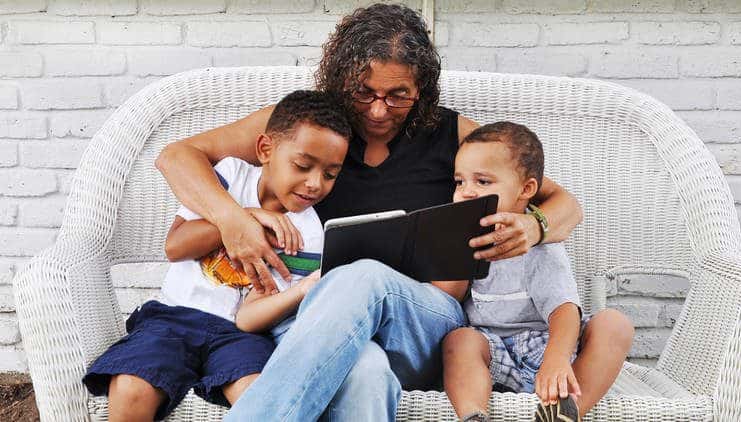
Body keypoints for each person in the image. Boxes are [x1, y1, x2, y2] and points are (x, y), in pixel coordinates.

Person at [155, 4, 633, 421]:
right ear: (341, 78)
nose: (380, 110)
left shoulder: (455, 135)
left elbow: (564, 203)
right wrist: (232, 218)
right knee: (364, 370)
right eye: (364, 92)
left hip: (425, 323)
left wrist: (535, 225)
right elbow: (176, 156)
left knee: (360, 276)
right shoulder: (310, 129)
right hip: (318, 324)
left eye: (398, 95)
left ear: (421, 87)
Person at [82, 90, 351, 421]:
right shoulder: (230, 176)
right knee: (130, 386)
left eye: (330, 174)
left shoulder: (307, 233)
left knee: (261, 396)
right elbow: (176, 246)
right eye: (303, 166)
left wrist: (303, 289)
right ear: (266, 150)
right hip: (174, 318)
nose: (314, 184)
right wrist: (245, 216)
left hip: (242, 336)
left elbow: (249, 317)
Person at [443, 122, 612, 422]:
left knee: (615, 325)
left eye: (482, 182)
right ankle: (472, 414)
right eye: (459, 182)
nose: (466, 192)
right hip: (492, 349)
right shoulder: (464, 240)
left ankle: (564, 410)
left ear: (526, 189)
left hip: (544, 347)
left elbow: (563, 311)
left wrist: (556, 360)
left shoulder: (539, 247)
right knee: (459, 341)